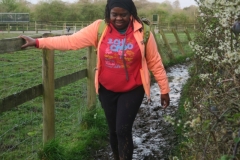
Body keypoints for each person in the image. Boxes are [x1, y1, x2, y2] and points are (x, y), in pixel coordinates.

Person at [20, 0, 170, 159]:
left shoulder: (143, 32)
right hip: (107, 90)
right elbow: (71, 41)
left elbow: (155, 62)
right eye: (114, 14)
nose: (118, 18)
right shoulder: (100, 28)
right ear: (108, 13)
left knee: (123, 130)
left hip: (132, 90)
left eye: (123, 15)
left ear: (131, 13)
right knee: (113, 130)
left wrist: (164, 90)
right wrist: (37, 42)